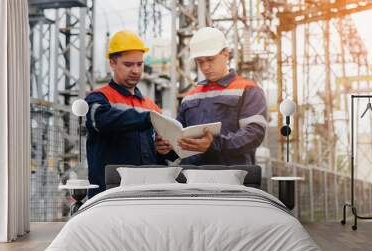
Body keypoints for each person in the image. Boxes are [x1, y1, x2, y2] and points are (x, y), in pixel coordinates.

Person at [156, 27, 267, 165]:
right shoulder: (190, 96)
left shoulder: (248, 89)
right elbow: (179, 139)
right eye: (200, 61)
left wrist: (214, 144)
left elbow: (254, 134)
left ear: (226, 54)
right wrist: (166, 149)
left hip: (232, 176)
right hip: (191, 177)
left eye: (210, 59)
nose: (205, 67)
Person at [85, 30, 168, 198]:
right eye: (128, 64)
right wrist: (147, 118)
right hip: (109, 195)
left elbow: (159, 153)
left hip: (147, 194)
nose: (136, 70)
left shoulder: (151, 105)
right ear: (112, 63)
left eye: (139, 64)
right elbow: (103, 121)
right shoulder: (97, 99)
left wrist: (165, 149)